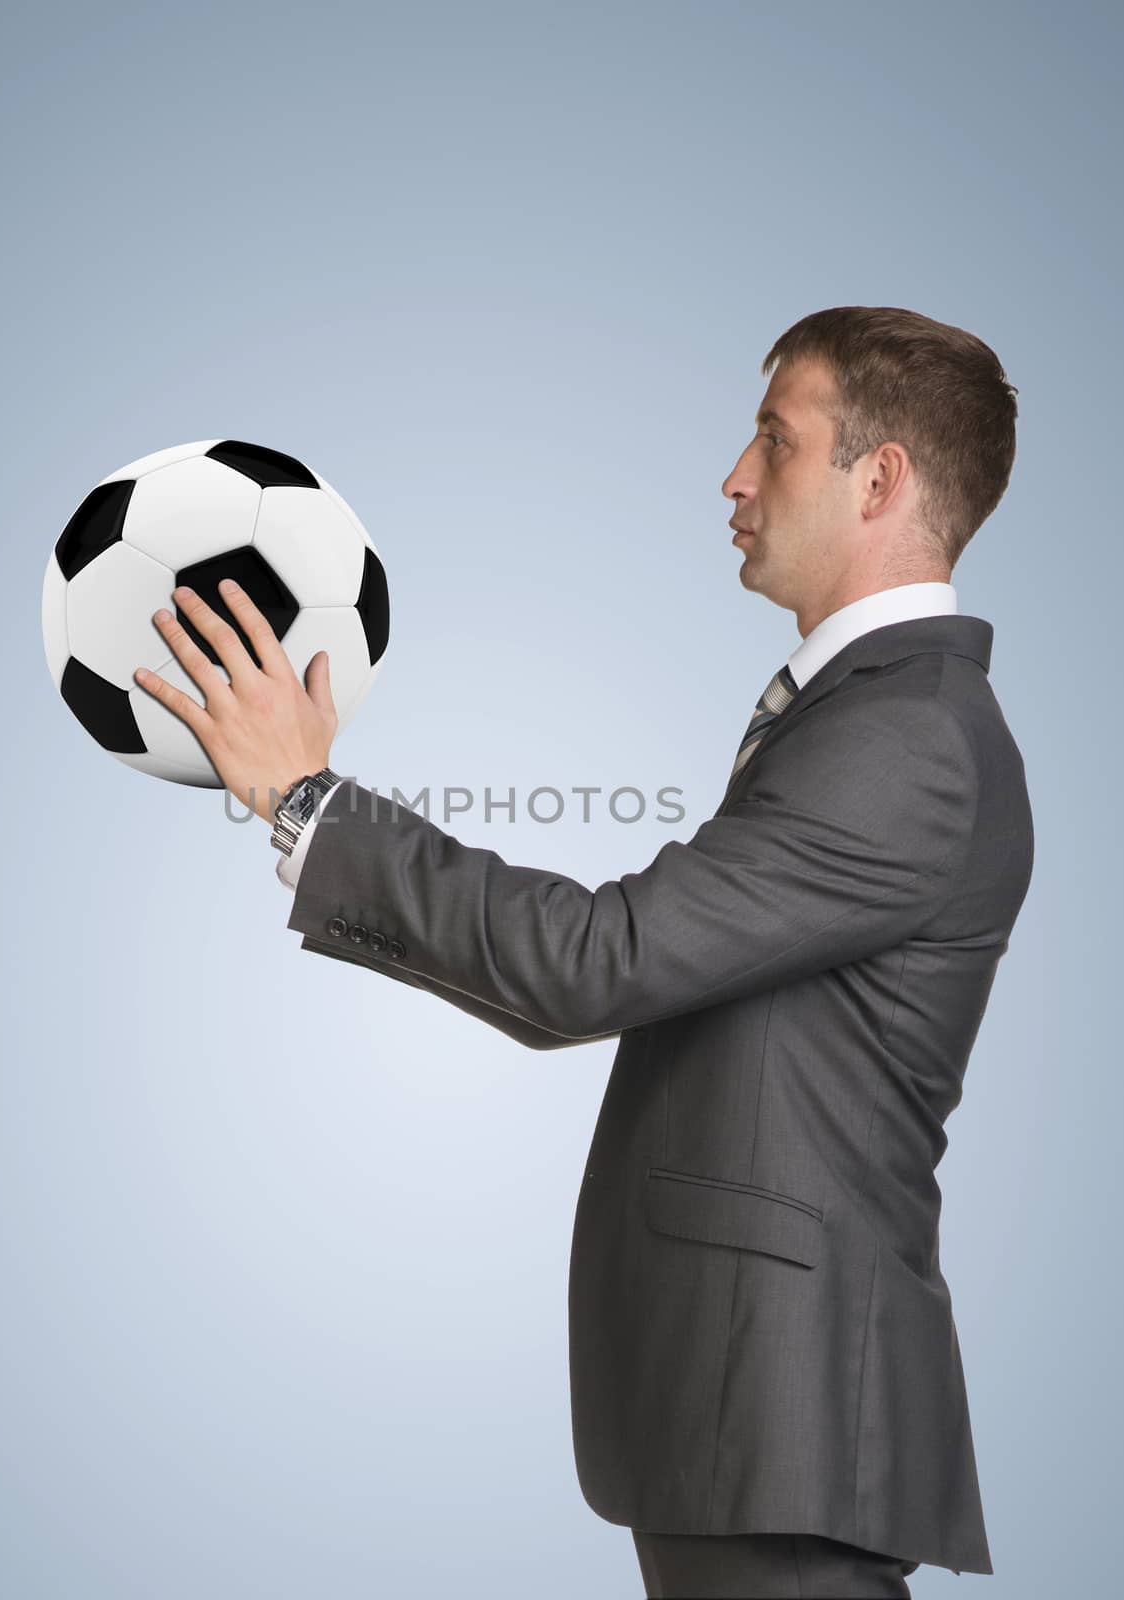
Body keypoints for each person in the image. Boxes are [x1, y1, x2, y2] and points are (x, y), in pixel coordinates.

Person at [134, 305, 1033, 1598]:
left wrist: (306, 799)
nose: (734, 475)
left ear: (879, 478)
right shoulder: (873, 720)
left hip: (778, 1415)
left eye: (775, 440)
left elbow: (599, 962)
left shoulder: (909, 742)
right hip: (742, 1418)